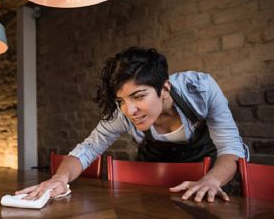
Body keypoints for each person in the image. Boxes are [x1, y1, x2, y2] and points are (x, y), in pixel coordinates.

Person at [16, 47, 249, 203]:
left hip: (204, 182)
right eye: (121, 100)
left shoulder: (200, 89)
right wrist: (59, 179)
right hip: (153, 189)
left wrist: (212, 179)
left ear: (165, 89)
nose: (130, 110)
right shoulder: (122, 113)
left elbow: (230, 147)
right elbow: (87, 149)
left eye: (139, 96)